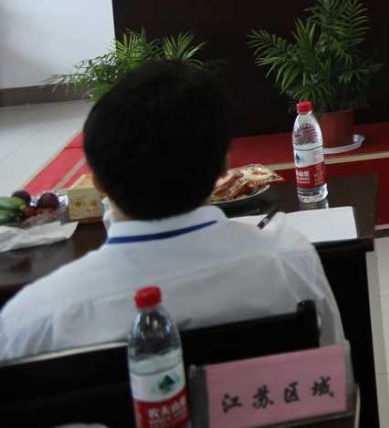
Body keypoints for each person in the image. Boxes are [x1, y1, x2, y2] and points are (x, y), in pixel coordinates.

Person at [0, 61, 343, 361]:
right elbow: (336, 378)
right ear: (224, 168)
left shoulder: (29, 321)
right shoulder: (289, 263)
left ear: (97, 182)